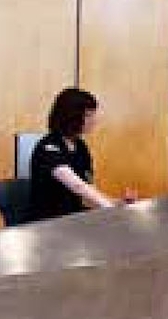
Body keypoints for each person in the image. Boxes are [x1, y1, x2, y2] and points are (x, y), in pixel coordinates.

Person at [28, 87, 129, 222]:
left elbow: (87, 190)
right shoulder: (48, 147)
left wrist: (117, 203)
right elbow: (77, 186)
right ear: (70, 116)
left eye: (93, 114)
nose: (94, 120)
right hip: (48, 223)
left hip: (74, 218)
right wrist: (109, 206)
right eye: (88, 115)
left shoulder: (81, 147)